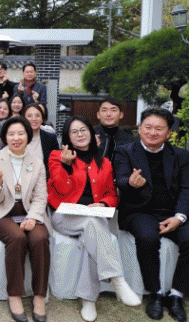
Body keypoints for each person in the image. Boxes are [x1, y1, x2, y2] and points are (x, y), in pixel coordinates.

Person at [48, 116, 140, 321]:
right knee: (94, 226)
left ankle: (89, 301)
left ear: (91, 133)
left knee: (92, 234)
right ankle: (117, 279)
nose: (80, 134)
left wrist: (104, 204)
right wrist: (66, 165)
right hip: (66, 216)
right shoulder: (56, 156)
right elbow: (60, 190)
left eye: (83, 130)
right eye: (74, 131)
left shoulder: (104, 162)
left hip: (94, 216)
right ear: (67, 137)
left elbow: (111, 194)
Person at [114, 108, 189, 322]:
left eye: (159, 128)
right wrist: (130, 182)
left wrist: (179, 217)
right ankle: (154, 293)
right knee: (148, 237)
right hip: (139, 211)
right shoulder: (125, 152)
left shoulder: (181, 155)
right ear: (139, 129)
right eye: (148, 127)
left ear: (169, 133)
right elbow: (120, 178)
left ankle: (176, 295)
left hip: (172, 212)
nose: (152, 132)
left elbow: (187, 188)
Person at [0, 116, 50, 322]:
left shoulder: (37, 162)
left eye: (21, 133)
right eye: (11, 134)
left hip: (28, 210)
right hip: (0, 211)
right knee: (17, 238)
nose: (16, 138)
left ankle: (39, 296)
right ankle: (14, 294)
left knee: (40, 238)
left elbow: (40, 196)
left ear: (28, 136)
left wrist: (33, 218)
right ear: (5, 137)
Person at [23, 103, 59, 173]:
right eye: (29, 116)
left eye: (37, 116)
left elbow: (55, 164)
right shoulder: (17, 137)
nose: (34, 119)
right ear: (24, 119)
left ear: (42, 119)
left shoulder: (50, 138)